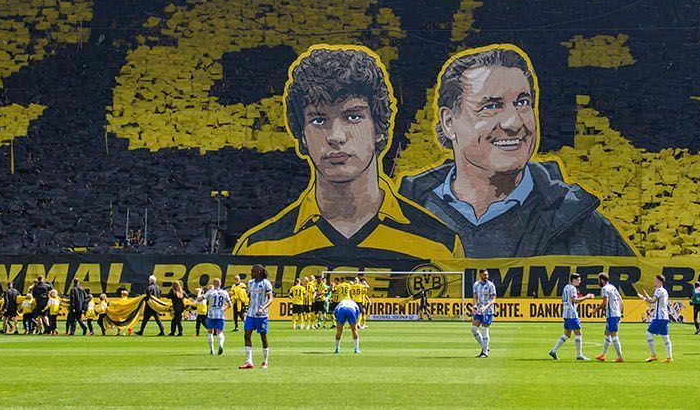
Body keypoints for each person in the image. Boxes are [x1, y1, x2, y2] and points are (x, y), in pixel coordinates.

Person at [400, 45, 632, 258]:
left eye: (522, 103)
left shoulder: (585, 226)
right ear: (449, 122)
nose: (513, 122)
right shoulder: (404, 214)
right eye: (491, 106)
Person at [236, 46, 461, 263]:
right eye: (318, 120)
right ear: (302, 136)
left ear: (379, 128)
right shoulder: (259, 248)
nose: (336, 136)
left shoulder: (440, 244)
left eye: (353, 117)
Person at [239, 264, 273, 370]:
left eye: (253, 271)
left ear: (259, 271)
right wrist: (245, 310)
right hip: (251, 314)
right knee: (247, 335)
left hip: (262, 315)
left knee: (263, 337)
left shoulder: (266, 283)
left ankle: (265, 361)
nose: (251, 273)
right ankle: (249, 362)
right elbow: (250, 298)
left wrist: (262, 308)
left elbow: (270, 298)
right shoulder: (250, 283)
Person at [548, 272, 586, 360]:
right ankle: (579, 355)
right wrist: (586, 297)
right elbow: (575, 300)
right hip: (571, 314)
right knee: (578, 333)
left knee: (567, 334)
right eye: (578, 280)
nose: (579, 282)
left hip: (565, 313)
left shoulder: (566, 287)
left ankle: (553, 351)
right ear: (574, 280)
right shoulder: (572, 288)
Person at [592, 272, 625, 362]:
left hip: (611, 315)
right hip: (616, 314)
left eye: (599, 280)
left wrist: (596, 310)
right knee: (607, 333)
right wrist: (620, 313)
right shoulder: (613, 287)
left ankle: (620, 357)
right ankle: (602, 355)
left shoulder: (605, 289)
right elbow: (621, 301)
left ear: (602, 280)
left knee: (614, 335)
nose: (598, 282)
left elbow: (604, 303)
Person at [645, 273, 673, 362]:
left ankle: (653, 354)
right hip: (665, 317)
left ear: (659, 281)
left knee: (648, 334)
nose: (654, 282)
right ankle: (669, 357)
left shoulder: (658, 290)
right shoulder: (664, 291)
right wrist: (647, 298)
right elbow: (654, 301)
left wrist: (645, 298)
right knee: (665, 337)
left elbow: (652, 300)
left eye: (655, 280)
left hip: (659, 317)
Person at [470, 268, 497, 358]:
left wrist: (485, 307)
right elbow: (475, 297)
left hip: (488, 311)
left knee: (484, 330)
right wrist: (474, 306)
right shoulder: (476, 284)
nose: (486, 276)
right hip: (479, 310)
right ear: (480, 275)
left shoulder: (491, 285)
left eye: (487, 275)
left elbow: (493, 299)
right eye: (484, 275)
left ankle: (485, 352)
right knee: (473, 328)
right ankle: (485, 347)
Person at [333, 280, 361, 355]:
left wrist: (338, 320)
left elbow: (335, 312)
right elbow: (357, 312)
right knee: (354, 330)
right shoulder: (353, 302)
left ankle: (337, 348)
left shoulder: (341, 302)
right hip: (351, 310)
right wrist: (356, 322)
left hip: (342, 310)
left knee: (339, 330)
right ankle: (356, 348)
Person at [203, 279, 229, 355]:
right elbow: (229, 304)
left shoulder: (210, 292)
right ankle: (221, 345)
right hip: (220, 314)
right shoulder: (224, 292)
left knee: (210, 332)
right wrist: (224, 308)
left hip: (211, 314)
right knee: (220, 332)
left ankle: (212, 350)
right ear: (220, 284)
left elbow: (200, 299)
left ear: (213, 284)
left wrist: (198, 293)